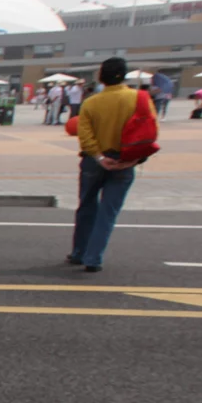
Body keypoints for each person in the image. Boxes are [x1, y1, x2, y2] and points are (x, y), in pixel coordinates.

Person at [68, 57, 144, 273]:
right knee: (108, 212)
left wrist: (99, 157)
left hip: (94, 161)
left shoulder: (91, 102)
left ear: (101, 76)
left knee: (87, 206)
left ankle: (79, 252)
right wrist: (135, 159)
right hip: (125, 160)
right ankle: (93, 258)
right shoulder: (139, 99)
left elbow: (85, 135)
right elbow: (148, 132)